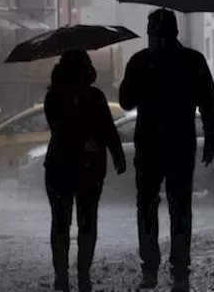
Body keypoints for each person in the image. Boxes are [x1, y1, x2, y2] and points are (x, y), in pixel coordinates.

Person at [119, 9, 214, 291]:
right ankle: (179, 272)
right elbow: (209, 103)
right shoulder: (192, 60)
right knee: (179, 207)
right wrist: (211, 138)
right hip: (179, 143)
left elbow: (126, 101)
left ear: (155, 33)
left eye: (153, 31)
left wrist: (138, 81)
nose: (154, 37)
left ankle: (152, 269)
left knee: (149, 206)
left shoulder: (140, 61)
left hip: (151, 143)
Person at [43, 50, 127, 292]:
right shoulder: (73, 97)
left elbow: (106, 130)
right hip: (84, 167)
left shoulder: (56, 96)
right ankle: (78, 276)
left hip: (62, 167)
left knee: (63, 223)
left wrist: (116, 153)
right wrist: (115, 155)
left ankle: (68, 276)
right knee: (84, 222)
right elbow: (106, 131)